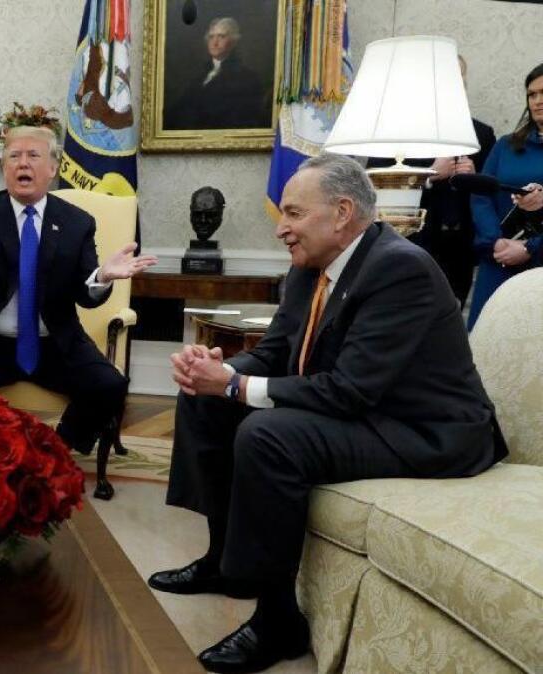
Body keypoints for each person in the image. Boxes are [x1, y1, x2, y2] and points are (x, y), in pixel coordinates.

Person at [151, 153, 506, 673]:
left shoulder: (400, 269)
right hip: (367, 411)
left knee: (269, 434)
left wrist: (235, 387)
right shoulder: (311, 268)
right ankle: (221, 560)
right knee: (205, 400)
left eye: (293, 214)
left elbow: (348, 391)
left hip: (425, 431)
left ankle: (276, 623)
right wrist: (216, 370)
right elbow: (274, 353)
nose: (280, 229)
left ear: (341, 212)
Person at [0, 126, 157, 454]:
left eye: (33, 155)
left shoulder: (77, 222)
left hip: (55, 342)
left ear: (53, 169)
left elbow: (86, 294)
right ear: (4, 168)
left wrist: (103, 277)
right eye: (14, 156)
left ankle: (57, 451)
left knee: (110, 384)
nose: (23, 164)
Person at [368, 55, 496, 309]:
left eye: (460, 79)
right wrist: (429, 174)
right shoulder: (398, 131)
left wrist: (473, 177)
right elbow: (374, 183)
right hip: (412, 243)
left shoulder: (480, 133)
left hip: (460, 249)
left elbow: (490, 190)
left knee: (449, 322)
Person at [467, 62, 543, 328]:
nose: (537, 101)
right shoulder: (506, 146)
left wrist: (529, 248)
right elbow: (481, 195)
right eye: (532, 94)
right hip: (498, 260)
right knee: (484, 343)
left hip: (539, 268)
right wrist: (495, 241)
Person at [167, 17, 270, 130]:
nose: (215, 42)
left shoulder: (247, 78)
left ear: (233, 41)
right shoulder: (198, 78)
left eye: (221, 36)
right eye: (211, 37)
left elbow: (243, 120)